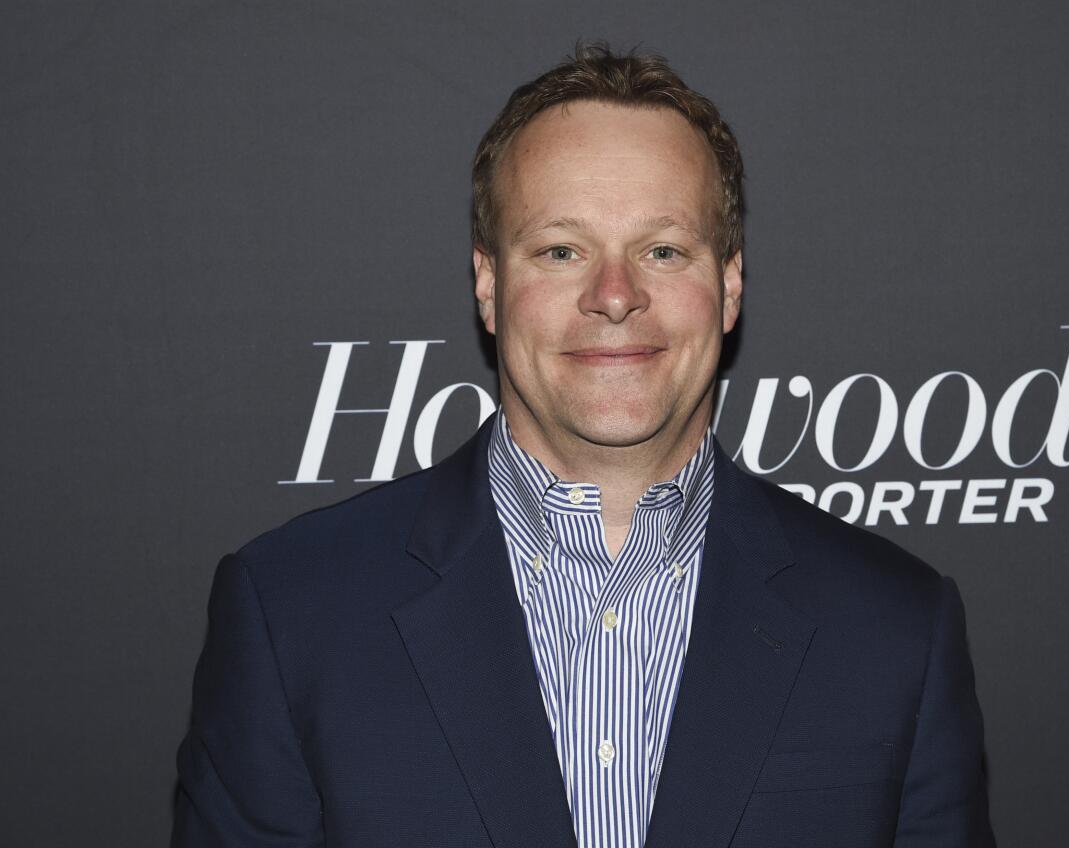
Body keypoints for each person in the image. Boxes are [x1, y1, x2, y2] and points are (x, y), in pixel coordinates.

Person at [172, 43, 995, 848]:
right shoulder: (292, 616)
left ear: (730, 284)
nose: (614, 296)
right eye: (562, 250)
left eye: (662, 250)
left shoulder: (895, 629)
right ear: (489, 285)